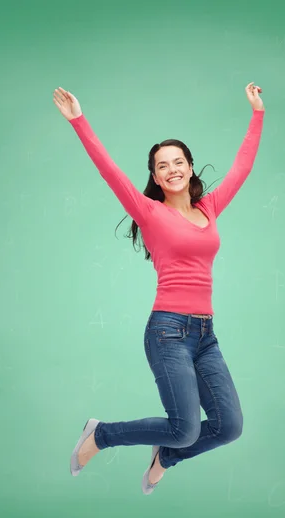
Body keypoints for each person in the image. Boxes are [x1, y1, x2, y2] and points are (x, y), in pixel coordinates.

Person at [53, 83, 265, 495]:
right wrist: (79, 120)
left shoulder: (209, 208)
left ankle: (165, 455)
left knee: (229, 426)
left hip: (205, 335)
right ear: (154, 175)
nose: (171, 169)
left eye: (178, 161)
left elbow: (242, 168)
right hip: (168, 331)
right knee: (184, 428)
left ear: (190, 167)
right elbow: (109, 170)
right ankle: (101, 434)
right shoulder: (148, 212)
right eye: (161, 165)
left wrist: (257, 113)